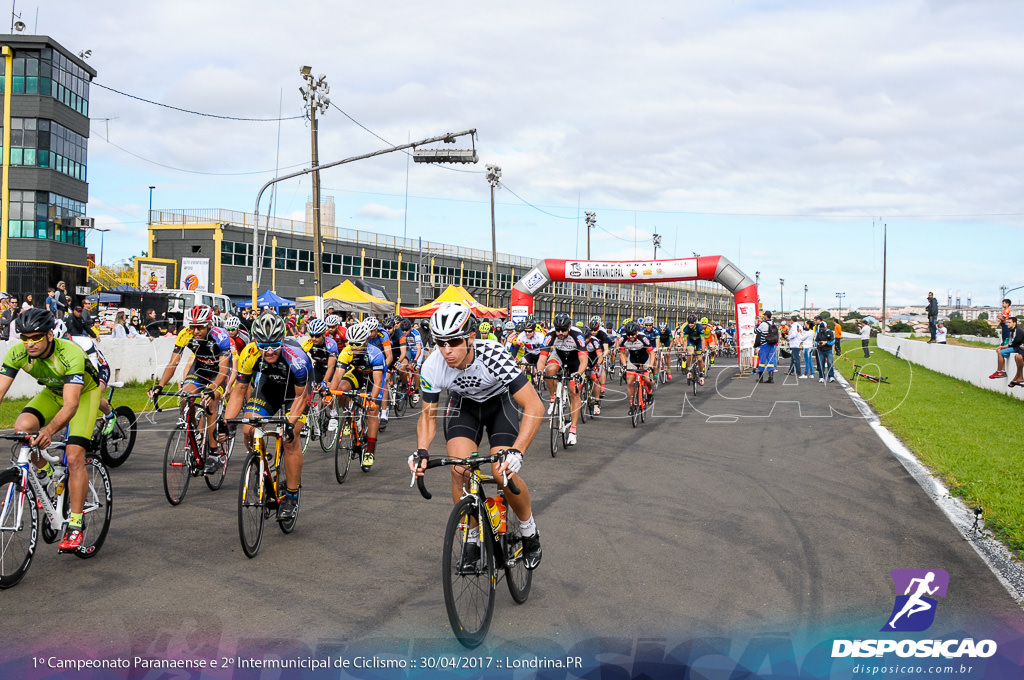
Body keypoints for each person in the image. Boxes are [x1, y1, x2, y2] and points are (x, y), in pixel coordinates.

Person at [409, 301, 544, 571]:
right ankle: (472, 536)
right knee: (459, 470)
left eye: (455, 341)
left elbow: (535, 406)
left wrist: (517, 451)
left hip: (498, 405)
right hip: (465, 407)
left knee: (501, 471)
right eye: (440, 342)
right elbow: (427, 416)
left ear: (471, 336)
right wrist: (422, 451)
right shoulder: (433, 365)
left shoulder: (493, 354)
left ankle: (529, 530)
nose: (447, 350)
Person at [0, 309, 101, 551]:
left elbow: (71, 405)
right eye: (24, 338)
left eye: (35, 337)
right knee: (22, 429)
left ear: (48, 335)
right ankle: (46, 475)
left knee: (75, 456)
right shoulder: (17, 353)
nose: (29, 343)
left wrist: (48, 430)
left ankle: (76, 524)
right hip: (52, 393)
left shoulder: (70, 354)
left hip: (82, 396)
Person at [219, 313, 312, 520]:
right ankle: (261, 463)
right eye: (263, 345)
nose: (269, 351)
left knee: (291, 438)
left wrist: (290, 423)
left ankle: (291, 496)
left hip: (294, 394)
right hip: (269, 387)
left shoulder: (297, 357)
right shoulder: (250, 353)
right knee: (248, 428)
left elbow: (301, 396)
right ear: (255, 342)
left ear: (282, 340)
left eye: (274, 345)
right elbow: (240, 389)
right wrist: (226, 422)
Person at [148, 305, 233, 474]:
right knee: (185, 397)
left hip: (218, 374)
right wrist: (160, 385)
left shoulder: (220, 336)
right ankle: (194, 433)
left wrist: (212, 389)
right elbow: (173, 363)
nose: (195, 331)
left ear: (209, 324)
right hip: (199, 370)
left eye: (200, 327)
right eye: (193, 326)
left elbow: (223, 371)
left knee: (211, 401)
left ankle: (214, 452)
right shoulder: (185, 334)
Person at [334, 320, 387, 469]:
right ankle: (349, 416)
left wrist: (372, 399)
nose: (353, 347)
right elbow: (338, 375)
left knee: (372, 410)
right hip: (358, 373)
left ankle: (370, 451)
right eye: (350, 343)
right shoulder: (347, 350)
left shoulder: (375, 352)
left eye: (357, 344)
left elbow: (377, 382)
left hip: (373, 377)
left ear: (365, 341)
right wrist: (329, 394)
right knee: (341, 388)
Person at [537, 312, 588, 447]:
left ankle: (572, 431)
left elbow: (584, 360)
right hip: (559, 355)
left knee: (574, 391)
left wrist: (578, 374)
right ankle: (553, 399)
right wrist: (539, 372)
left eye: (563, 330)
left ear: (569, 327)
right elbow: (542, 358)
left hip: (575, 361)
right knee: (550, 369)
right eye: (558, 330)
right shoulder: (550, 336)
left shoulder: (578, 336)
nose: (560, 333)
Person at [990, 317, 1023, 387]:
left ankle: (1000, 371)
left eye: (1009, 322)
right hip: (1015, 348)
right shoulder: (1011, 331)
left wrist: (1002, 347)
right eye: (1007, 322)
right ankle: (1001, 371)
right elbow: (1011, 342)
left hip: (1017, 348)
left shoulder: (1018, 331)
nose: (1007, 324)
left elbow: (1014, 343)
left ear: (1014, 323)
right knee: (1000, 351)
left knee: (1001, 352)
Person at [754, 311, 779, 383]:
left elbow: (756, 331)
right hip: (772, 344)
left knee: (762, 361)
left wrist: (756, 324)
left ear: (766, 316)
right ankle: (771, 378)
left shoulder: (763, 324)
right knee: (770, 360)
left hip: (764, 344)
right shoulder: (773, 323)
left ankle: (760, 378)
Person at [813, 315, 836, 383]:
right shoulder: (819, 333)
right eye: (821, 327)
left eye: (823, 327)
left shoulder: (830, 332)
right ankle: (821, 377)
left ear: (826, 327)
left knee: (830, 363)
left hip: (828, 350)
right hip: (821, 350)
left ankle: (831, 376)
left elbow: (833, 341)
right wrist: (818, 344)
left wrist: (826, 342)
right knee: (821, 364)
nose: (822, 329)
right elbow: (816, 341)